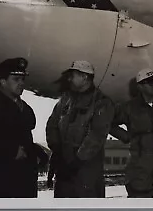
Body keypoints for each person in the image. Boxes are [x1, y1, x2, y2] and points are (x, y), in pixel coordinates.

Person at [45, 60, 115, 198]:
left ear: (85, 77)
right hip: (64, 167)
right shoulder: (66, 99)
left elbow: (97, 136)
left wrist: (76, 162)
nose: (69, 79)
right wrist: (57, 151)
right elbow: (52, 125)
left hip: (86, 169)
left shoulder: (101, 102)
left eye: (73, 75)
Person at [0, 58, 39, 198]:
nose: (22, 83)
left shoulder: (22, 105)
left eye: (23, 79)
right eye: (16, 79)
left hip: (23, 181)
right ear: (2, 81)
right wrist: (10, 152)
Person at [110, 68, 153, 198]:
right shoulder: (129, 108)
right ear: (140, 86)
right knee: (140, 200)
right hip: (140, 165)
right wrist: (125, 136)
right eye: (150, 82)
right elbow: (109, 123)